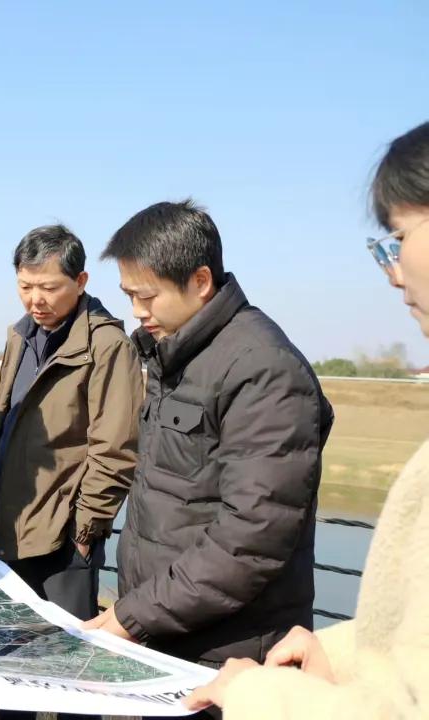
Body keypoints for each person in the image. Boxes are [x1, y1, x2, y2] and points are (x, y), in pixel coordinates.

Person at [184, 121, 429, 719]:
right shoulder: (173, 357)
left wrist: (257, 695)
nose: (393, 272)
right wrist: (341, 653)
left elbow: (254, 526)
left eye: (399, 238)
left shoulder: (264, 365)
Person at [82, 200, 333, 718]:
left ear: (199, 281)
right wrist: (141, 615)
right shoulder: (177, 355)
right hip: (170, 633)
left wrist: (134, 615)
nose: (137, 311)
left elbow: (250, 538)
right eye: (129, 296)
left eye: (147, 296)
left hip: (230, 654)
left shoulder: (263, 370)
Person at [0, 225, 142, 720]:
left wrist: (86, 529)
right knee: (16, 665)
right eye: (25, 286)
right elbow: (3, 420)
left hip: (64, 534)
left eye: (49, 287)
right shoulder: (20, 334)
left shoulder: (107, 344)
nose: (36, 299)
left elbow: (115, 447)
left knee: (73, 669)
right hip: (14, 525)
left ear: (81, 281)